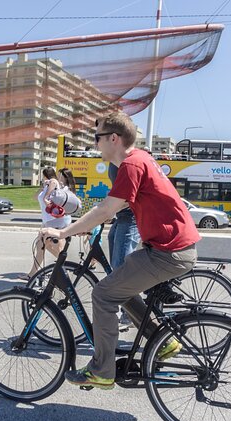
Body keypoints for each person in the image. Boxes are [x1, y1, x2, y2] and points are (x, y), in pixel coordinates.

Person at [41, 111, 200, 390]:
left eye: (97, 137)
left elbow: (107, 208)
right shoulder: (140, 160)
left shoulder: (131, 165)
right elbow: (121, 205)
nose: (95, 144)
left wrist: (65, 231)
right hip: (170, 247)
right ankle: (161, 340)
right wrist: (90, 224)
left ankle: (101, 370)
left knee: (103, 293)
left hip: (168, 251)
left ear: (113, 138)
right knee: (120, 282)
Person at [19, 166, 71, 280]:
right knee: (42, 246)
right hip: (48, 221)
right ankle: (61, 266)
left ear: (44, 174)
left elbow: (46, 199)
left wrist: (47, 190)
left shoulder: (53, 182)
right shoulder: (47, 184)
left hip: (54, 220)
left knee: (42, 245)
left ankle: (34, 274)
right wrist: (42, 187)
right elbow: (35, 197)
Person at [107, 162, 141, 331]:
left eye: (98, 138)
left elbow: (128, 197)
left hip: (130, 217)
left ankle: (132, 314)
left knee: (121, 268)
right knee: (116, 266)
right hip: (123, 216)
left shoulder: (122, 163)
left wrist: (103, 213)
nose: (96, 145)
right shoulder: (114, 163)